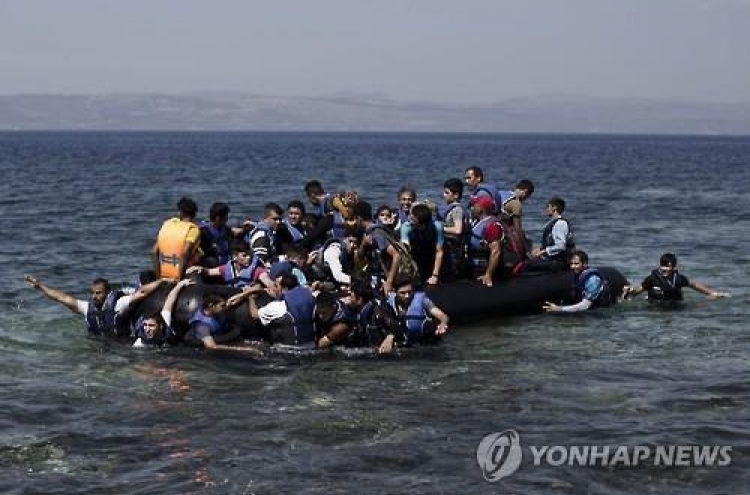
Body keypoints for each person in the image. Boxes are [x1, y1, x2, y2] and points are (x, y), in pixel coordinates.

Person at [24, 275, 167, 337]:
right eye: (92, 293)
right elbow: (61, 297)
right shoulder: (87, 308)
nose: (94, 296)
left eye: (98, 293)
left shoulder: (118, 304)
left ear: (107, 292)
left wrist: (161, 281)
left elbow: (142, 292)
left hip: (121, 346)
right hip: (98, 346)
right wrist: (40, 286)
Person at [622, 253, 730, 304]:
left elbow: (694, 285)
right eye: (662, 266)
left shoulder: (678, 279)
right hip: (655, 309)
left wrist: (711, 293)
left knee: (701, 305)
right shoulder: (652, 279)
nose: (664, 269)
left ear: (674, 267)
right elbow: (638, 291)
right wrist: (629, 292)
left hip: (675, 307)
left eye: (667, 266)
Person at [247, 274, 316, 346]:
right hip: (312, 345)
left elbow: (254, 314)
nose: (274, 288)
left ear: (284, 289)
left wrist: (251, 297)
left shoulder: (277, 306)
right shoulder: (312, 298)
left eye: (276, 286)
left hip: (287, 350)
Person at [383, 275, 450, 350]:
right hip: (403, 344)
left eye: (409, 292)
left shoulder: (422, 300)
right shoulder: (389, 302)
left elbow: (443, 316)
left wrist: (443, 324)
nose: (407, 296)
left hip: (424, 344)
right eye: (403, 293)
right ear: (395, 292)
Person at [543, 250, 612, 313]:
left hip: (600, 313)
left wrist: (560, 309)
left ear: (584, 264)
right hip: (589, 310)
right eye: (571, 264)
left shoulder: (592, 280)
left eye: (576, 264)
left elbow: (584, 306)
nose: (573, 266)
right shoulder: (578, 275)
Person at [186, 240, 274, 290]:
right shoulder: (226, 269)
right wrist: (200, 268)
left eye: (249, 255)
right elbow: (209, 272)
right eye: (244, 255)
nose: (248, 258)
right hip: (230, 297)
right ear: (235, 257)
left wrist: (260, 288)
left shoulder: (257, 271)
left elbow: (268, 282)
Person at [181, 290, 254, 349]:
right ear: (211, 306)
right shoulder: (202, 326)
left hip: (222, 334)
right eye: (223, 306)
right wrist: (244, 349)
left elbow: (231, 301)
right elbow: (212, 346)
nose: (226, 307)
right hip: (203, 348)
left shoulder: (214, 310)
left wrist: (248, 292)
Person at [132, 279, 194, 348]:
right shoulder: (140, 343)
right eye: (145, 325)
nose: (147, 329)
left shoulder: (165, 323)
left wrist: (180, 284)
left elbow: (170, 301)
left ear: (161, 326)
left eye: (151, 325)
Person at [152, 197, 202, 279]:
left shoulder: (168, 225)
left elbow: (154, 252)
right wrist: (180, 280)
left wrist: (159, 278)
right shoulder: (193, 230)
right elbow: (184, 254)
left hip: (163, 275)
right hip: (180, 275)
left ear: (180, 212)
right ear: (194, 214)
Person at [401, 202, 445, 287]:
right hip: (415, 252)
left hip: (431, 251)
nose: (411, 222)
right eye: (411, 219)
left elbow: (439, 251)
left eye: (414, 221)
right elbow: (405, 252)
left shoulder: (437, 226)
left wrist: (435, 275)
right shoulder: (406, 227)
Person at [526, 197, 575, 272]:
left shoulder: (560, 224)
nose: (546, 209)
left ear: (554, 208)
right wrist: (538, 250)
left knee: (527, 265)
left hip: (559, 261)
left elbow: (561, 246)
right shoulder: (552, 223)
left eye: (548, 207)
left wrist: (542, 252)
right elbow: (550, 243)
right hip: (552, 258)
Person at [468, 195, 505, 286]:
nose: (471, 207)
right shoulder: (476, 222)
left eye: (474, 205)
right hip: (473, 264)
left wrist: (488, 274)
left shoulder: (492, 226)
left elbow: (495, 252)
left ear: (480, 209)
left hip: (482, 267)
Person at [439, 178, 470, 280]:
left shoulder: (457, 210)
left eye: (447, 193)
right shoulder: (451, 208)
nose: (444, 195)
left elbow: (458, 230)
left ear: (456, 195)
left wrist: (441, 228)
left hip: (454, 250)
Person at [499, 179, 535, 256]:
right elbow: (518, 229)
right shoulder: (516, 204)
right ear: (525, 191)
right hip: (502, 235)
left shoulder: (502, 193)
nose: (526, 199)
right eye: (527, 196)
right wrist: (527, 249)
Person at [199, 201, 240, 267]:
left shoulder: (226, 230)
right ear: (218, 218)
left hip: (227, 262)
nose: (227, 219)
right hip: (212, 264)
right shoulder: (203, 232)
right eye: (226, 217)